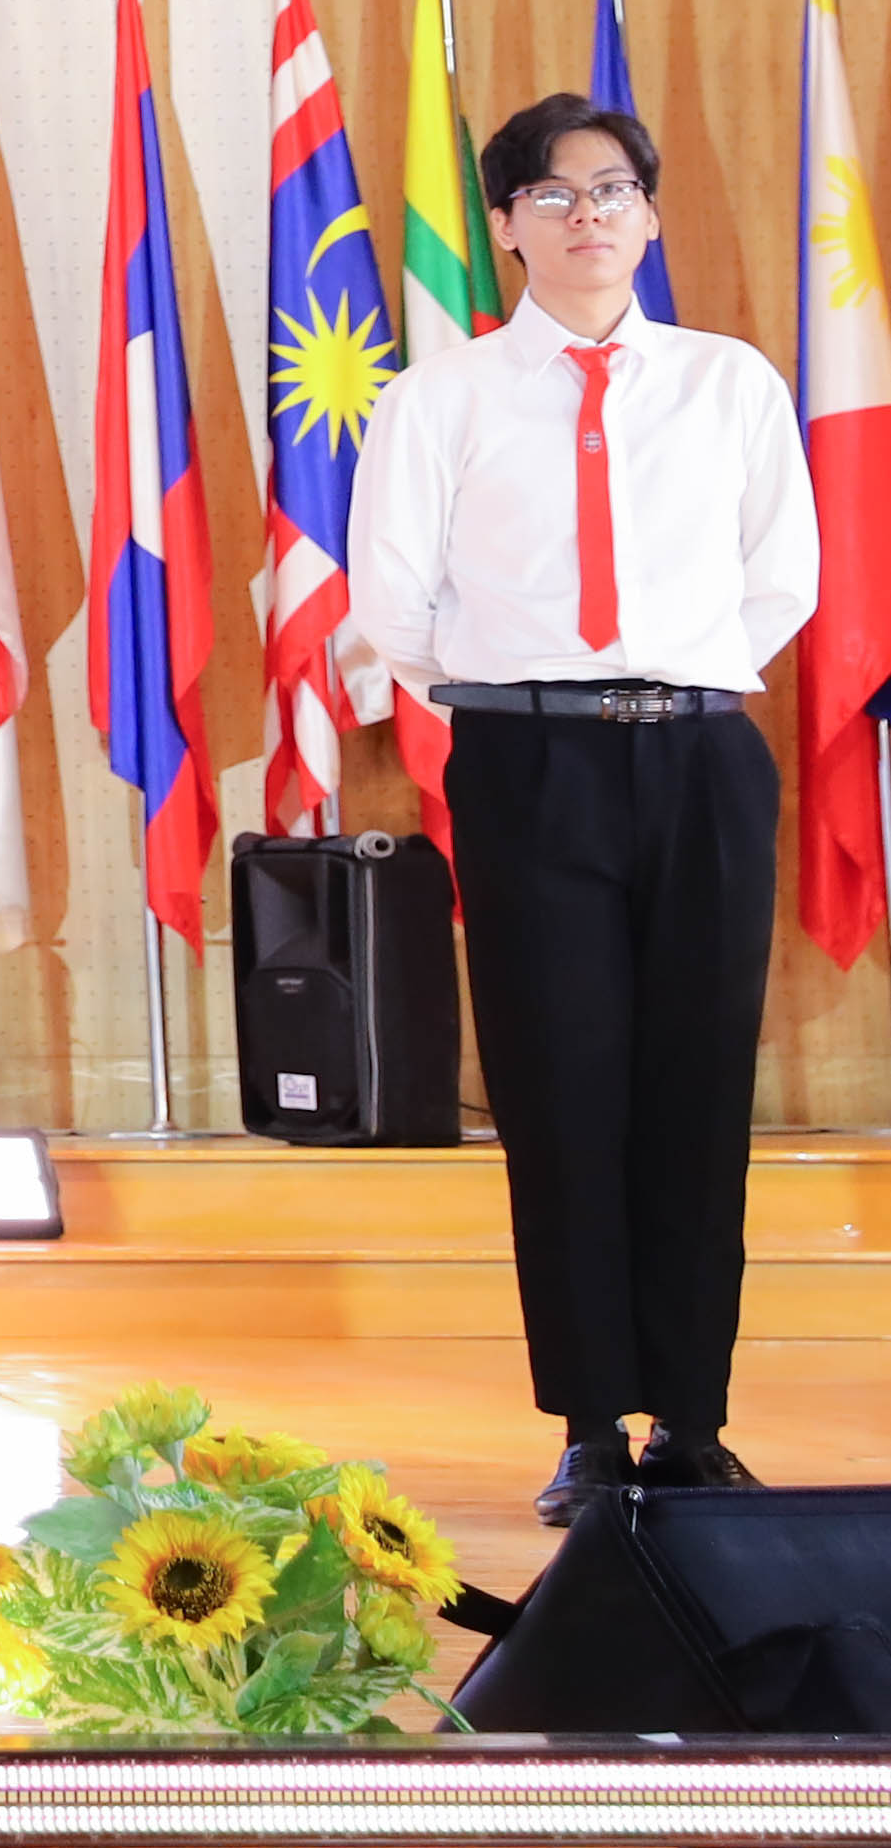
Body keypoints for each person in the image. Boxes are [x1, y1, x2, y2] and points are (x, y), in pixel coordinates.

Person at [341, 90, 818, 1526]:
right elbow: (394, 607)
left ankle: (692, 1420)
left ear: (650, 214)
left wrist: (661, 681)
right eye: (552, 195)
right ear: (505, 226)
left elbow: (780, 578)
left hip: (700, 760)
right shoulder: (438, 400)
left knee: (696, 1091)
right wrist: (534, 690)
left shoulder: (729, 384)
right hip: (527, 763)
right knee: (558, 1093)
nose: (587, 216)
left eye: (612, 190)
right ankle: (593, 1424)